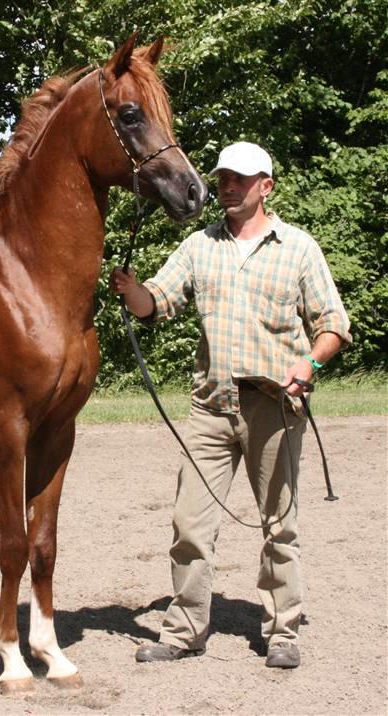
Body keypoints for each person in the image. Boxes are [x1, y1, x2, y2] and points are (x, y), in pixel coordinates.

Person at [111, 141, 351, 669]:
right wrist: (133, 292)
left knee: (279, 527)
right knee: (190, 526)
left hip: (274, 406)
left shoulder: (299, 248)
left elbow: (333, 323)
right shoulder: (200, 246)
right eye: (222, 178)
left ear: (266, 185)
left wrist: (310, 363)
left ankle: (283, 632)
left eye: (239, 178)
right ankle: (183, 632)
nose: (227, 186)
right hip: (210, 408)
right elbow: (159, 302)